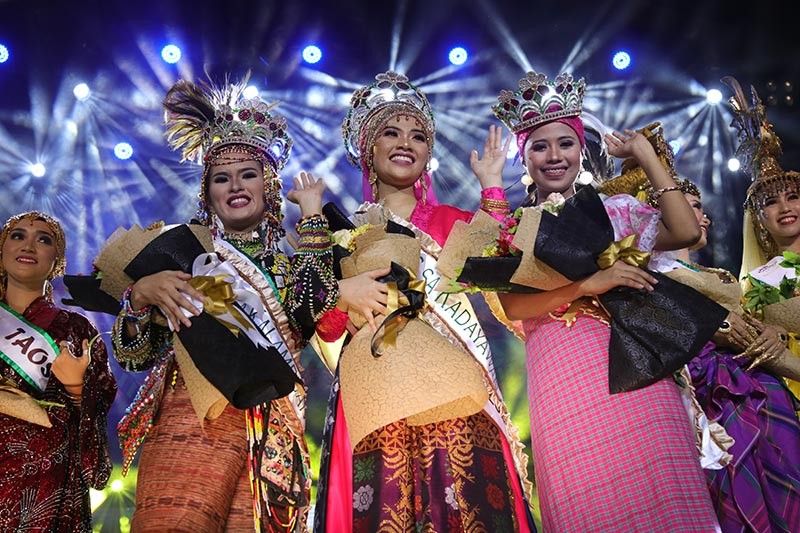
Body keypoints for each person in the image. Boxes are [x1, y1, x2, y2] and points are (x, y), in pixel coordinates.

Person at [491, 71, 719, 531]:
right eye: (540, 147)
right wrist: (586, 285)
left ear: (581, 149)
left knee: (665, 493)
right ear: (524, 156)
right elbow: (513, 307)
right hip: (561, 371)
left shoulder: (613, 209)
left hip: (631, 362)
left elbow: (685, 231)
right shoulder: (515, 228)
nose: (554, 156)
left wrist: (646, 156)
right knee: (585, 499)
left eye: (565, 144)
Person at [111, 77, 338, 531]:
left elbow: (316, 309)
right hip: (190, 418)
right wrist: (138, 296)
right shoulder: (182, 254)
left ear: (268, 184)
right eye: (221, 177)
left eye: (248, 174)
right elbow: (134, 355)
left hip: (271, 430)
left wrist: (313, 217)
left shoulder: (290, 266)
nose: (235, 185)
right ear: (208, 192)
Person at [312, 71, 535, 532]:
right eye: (390, 132)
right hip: (381, 394)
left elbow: (504, 269)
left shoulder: (452, 221)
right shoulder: (342, 236)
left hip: (453, 393)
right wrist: (340, 296)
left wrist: (493, 186)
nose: (405, 143)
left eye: (417, 136)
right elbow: (327, 327)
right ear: (368, 150)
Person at [626, 176, 800, 532]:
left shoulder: (714, 273)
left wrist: (775, 331)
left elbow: (750, 322)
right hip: (715, 389)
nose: (702, 217)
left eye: (700, 208)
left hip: (758, 380)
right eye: (689, 207)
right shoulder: (653, 273)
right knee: (743, 489)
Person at [0, 211, 117, 532]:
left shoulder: (76, 328)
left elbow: (98, 407)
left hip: (50, 483)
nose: (29, 246)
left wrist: (77, 388)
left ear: (57, 261)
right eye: (18, 235)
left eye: (44, 239)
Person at [726, 77, 800, 401]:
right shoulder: (762, 282)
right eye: (771, 202)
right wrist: (780, 335)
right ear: (758, 217)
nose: (785, 208)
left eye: (793, 197)